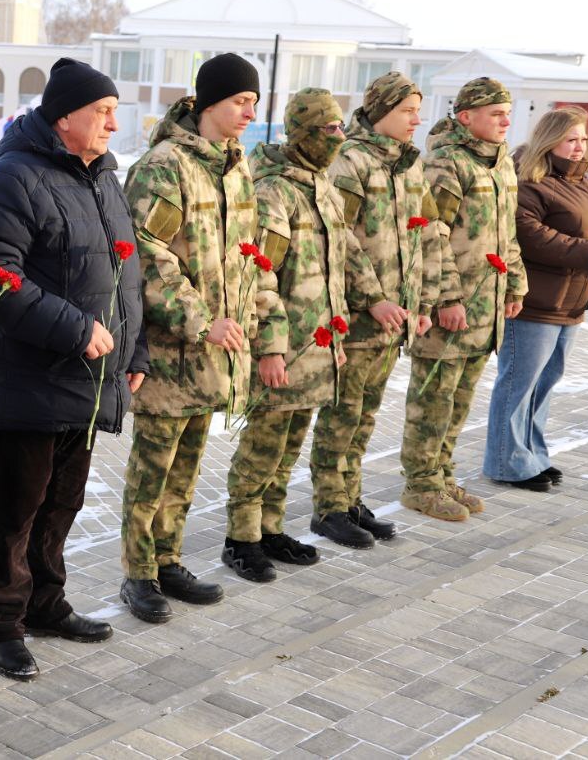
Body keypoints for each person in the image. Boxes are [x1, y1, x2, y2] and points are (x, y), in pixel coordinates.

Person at [0, 58, 148, 681]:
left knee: (61, 503)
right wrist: (74, 330)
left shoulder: (103, 180)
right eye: (102, 112)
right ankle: (0, 623)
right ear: (63, 115)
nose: (113, 125)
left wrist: (134, 354)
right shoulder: (9, 180)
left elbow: (127, 280)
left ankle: (44, 604)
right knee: (17, 509)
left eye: (114, 112)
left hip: (91, 378)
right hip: (33, 378)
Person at [118, 53, 268, 623]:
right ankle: (138, 572)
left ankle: (168, 558)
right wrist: (202, 319)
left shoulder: (236, 167)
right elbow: (146, 255)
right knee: (151, 470)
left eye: (254, 102)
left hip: (216, 354)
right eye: (240, 101)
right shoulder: (165, 167)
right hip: (170, 352)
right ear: (209, 103)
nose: (249, 112)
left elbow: (249, 256)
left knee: (187, 466)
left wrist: (249, 323)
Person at [223, 88, 384, 583]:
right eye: (329, 130)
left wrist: (374, 297)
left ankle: (270, 528)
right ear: (304, 134)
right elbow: (261, 275)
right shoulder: (273, 191)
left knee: (290, 443)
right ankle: (241, 537)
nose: (339, 138)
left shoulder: (320, 185)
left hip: (316, 346)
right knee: (263, 445)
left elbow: (350, 253)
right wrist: (270, 348)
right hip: (285, 349)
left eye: (341, 128)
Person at [308, 72, 441, 548]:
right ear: (382, 110)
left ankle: (350, 498)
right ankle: (328, 507)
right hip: (359, 318)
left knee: (365, 419)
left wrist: (422, 303)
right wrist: (374, 297)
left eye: (417, 110)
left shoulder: (409, 164)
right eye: (407, 110)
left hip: (395, 321)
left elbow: (424, 235)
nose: (416, 120)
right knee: (341, 417)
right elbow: (337, 236)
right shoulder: (351, 161)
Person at [400, 77, 526, 521]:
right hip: (451, 307)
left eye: (507, 112)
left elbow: (506, 230)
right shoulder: (446, 164)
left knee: (458, 401)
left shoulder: (502, 164)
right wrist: (447, 299)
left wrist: (514, 284)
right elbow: (432, 236)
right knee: (433, 398)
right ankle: (420, 483)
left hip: (485, 306)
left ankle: (442, 474)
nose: (505, 120)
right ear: (466, 117)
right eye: (495, 113)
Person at [483, 106, 588, 490]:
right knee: (518, 384)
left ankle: (532, 456)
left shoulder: (584, 181)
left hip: (571, 301)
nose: (578, 147)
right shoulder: (529, 179)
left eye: (583, 139)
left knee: (545, 382)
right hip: (535, 302)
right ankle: (508, 464)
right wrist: (583, 251)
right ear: (550, 139)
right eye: (570, 139)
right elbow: (527, 232)